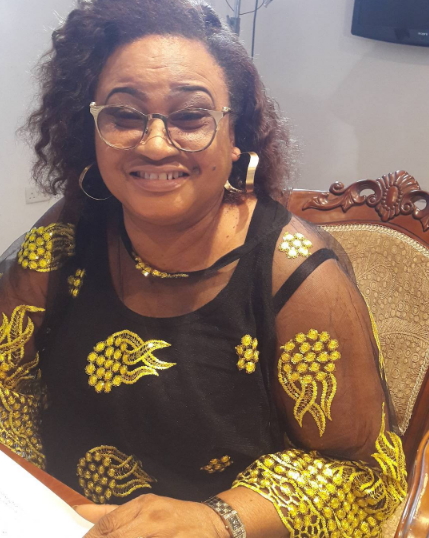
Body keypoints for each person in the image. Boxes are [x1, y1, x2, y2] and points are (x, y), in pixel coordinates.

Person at [0, 0, 407, 536]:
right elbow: (7, 379)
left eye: (191, 117)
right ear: (91, 128)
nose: (154, 144)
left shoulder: (297, 277)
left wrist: (219, 520)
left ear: (236, 134)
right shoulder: (67, 232)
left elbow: (365, 480)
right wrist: (33, 499)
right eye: (124, 115)